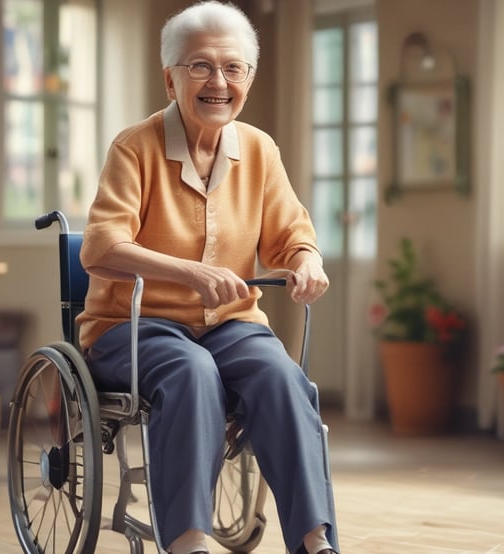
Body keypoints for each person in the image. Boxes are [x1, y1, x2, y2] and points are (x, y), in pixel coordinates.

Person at [78, 2, 339, 553]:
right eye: (200, 66)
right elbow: (100, 247)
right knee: (192, 372)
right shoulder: (135, 146)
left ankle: (315, 542)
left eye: (233, 68)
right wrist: (189, 272)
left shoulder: (259, 149)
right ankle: (188, 542)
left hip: (230, 325)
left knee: (283, 378)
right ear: (169, 77)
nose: (218, 81)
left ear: (249, 78)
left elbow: (290, 232)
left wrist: (306, 260)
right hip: (133, 328)